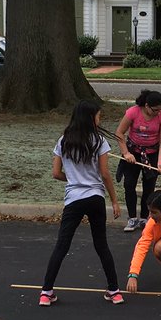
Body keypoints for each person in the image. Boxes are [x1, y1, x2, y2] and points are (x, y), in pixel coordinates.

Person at [40, 100, 123, 306]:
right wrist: (114, 201)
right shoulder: (99, 141)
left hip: (74, 199)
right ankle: (114, 291)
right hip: (95, 197)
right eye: (98, 116)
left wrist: (75, 180)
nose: (99, 119)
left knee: (62, 245)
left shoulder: (63, 140)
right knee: (101, 244)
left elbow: (55, 173)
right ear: (90, 117)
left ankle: (46, 292)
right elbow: (104, 174)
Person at [117, 89, 161, 232]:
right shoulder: (133, 112)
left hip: (151, 154)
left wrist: (160, 161)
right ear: (146, 106)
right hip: (133, 153)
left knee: (149, 187)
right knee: (129, 185)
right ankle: (132, 218)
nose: (159, 112)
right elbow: (119, 133)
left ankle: (145, 218)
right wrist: (126, 153)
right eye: (156, 110)